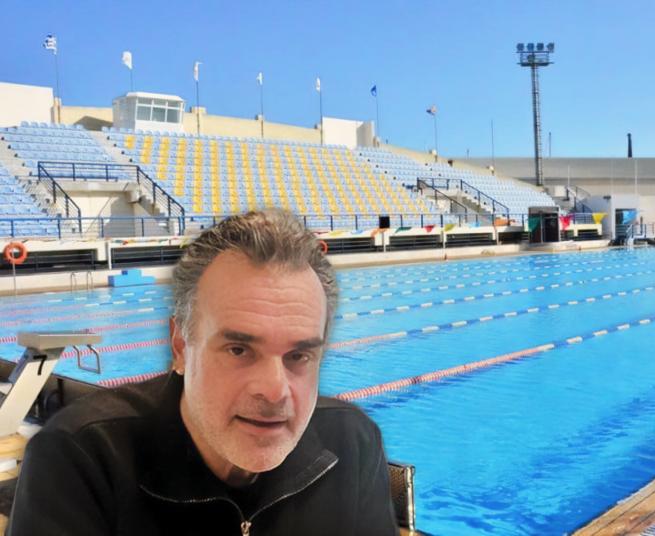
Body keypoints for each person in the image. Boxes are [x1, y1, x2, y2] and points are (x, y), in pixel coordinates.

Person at [7, 210, 398, 535]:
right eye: (239, 350)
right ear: (180, 347)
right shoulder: (83, 458)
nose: (275, 391)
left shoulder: (352, 444)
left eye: (299, 355)